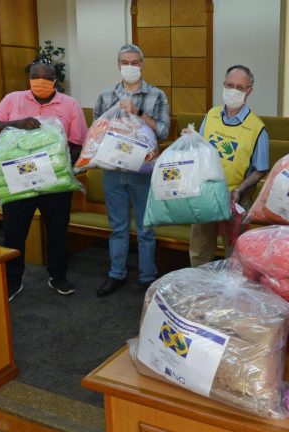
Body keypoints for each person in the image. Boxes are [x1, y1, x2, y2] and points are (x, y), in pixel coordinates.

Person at [0, 58, 88, 299]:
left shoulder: (70, 104)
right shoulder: (13, 99)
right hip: (18, 180)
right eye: (36, 77)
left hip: (55, 180)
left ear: (55, 80)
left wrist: (56, 168)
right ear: (29, 79)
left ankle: (58, 275)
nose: (41, 81)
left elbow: (77, 143)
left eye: (46, 77)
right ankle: (13, 280)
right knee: (14, 232)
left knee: (57, 230)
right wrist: (17, 123)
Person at [94, 44, 170, 297]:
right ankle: (116, 273)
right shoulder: (106, 96)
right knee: (118, 227)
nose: (130, 66)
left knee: (146, 228)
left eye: (134, 62)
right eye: (125, 62)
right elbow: (95, 131)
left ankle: (147, 276)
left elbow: (162, 131)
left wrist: (137, 113)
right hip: (113, 171)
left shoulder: (157, 95)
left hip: (143, 172)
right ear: (118, 65)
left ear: (141, 64)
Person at [189, 65, 269, 267]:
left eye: (240, 87)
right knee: (199, 249)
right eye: (229, 85)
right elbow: (200, 149)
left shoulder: (257, 128)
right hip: (206, 194)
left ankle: (231, 296)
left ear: (249, 90)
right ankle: (201, 291)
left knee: (235, 254)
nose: (234, 90)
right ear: (223, 85)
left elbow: (260, 169)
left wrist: (239, 190)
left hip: (236, 199)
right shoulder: (211, 115)